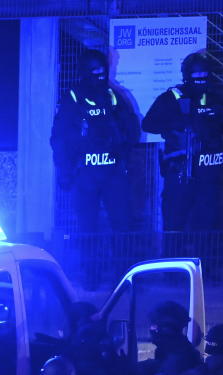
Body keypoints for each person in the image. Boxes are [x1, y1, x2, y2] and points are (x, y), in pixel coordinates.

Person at [50, 49, 140, 288]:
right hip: (85, 174)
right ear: (84, 72)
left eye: (103, 71)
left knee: (122, 223)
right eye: (95, 72)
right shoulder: (72, 98)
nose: (100, 76)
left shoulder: (113, 96)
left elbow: (132, 130)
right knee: (88, 227)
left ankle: (123, 274)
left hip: (112, 173)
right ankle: (91, 275)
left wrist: (122, 151)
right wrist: (64, 171)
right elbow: (59, 139)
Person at [142, 51, 223, 235]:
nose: (200, 79)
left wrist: (220, 117)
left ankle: (205, 263)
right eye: (196, 75)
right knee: (174, 222)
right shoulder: (171, 98)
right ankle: (173, 260)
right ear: (186, 75)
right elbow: (148, 124)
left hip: (208, 173)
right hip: (179, 171)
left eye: (204, 75)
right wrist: (175, 123)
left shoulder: (216, 99)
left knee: (206, 224)